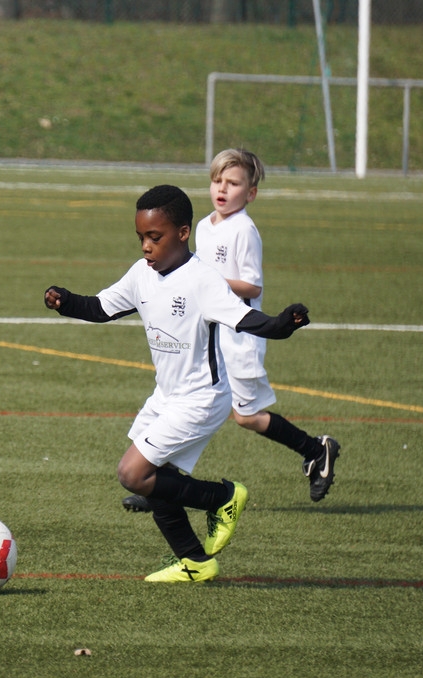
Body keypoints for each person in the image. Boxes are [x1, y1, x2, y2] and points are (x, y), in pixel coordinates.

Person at [44, 184, 310, 583]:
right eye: (141, 237)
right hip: (167, 396)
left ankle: (222, 498)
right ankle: (195, 562)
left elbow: (246, 320)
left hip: (202, 398)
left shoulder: (202, 280)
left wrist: (281, 325)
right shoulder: (142, 274)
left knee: (133, 474)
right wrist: (65, 301)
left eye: (155, 237)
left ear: (183, 233)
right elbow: (100, 308)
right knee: (155, 480)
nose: (146, 247)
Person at [123, 150, 339, 514]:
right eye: (217, 181)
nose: (222, 189)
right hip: (212, 334)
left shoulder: (244, 230)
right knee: (186, 404)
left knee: (246, 415)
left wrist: (206, 284)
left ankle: (317, 450)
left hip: (241, 337)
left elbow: (252, 286)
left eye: (234, 183)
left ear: (251, 193)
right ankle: (157, 483)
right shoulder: (205, 226)